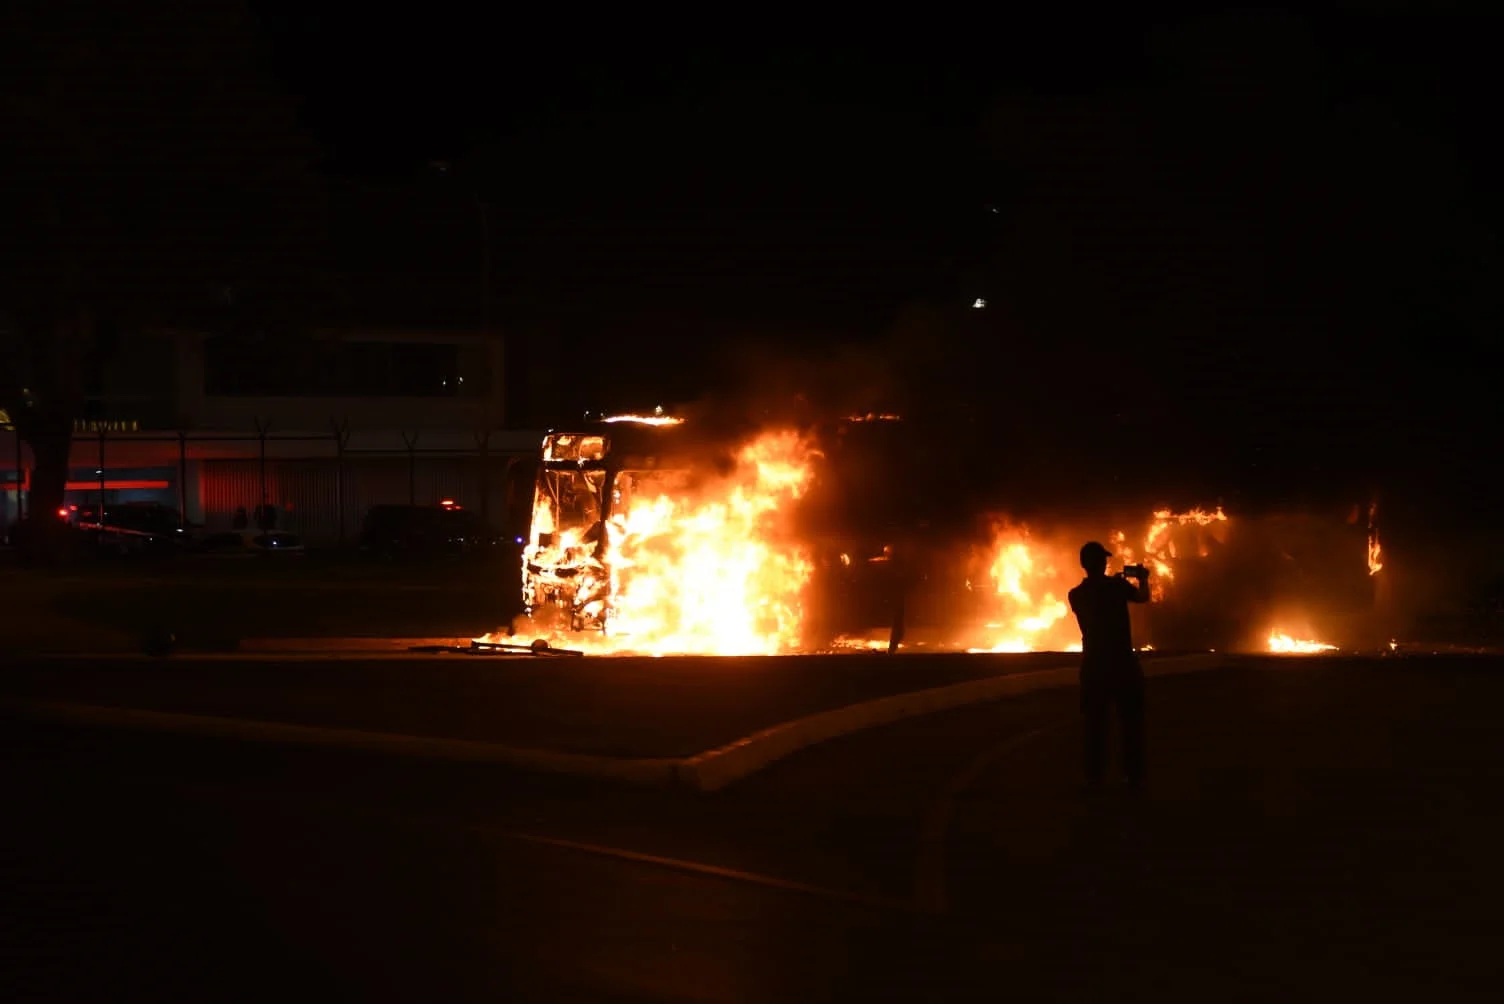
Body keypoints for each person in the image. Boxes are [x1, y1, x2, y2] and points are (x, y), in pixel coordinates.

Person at [1067, 541, 1151, 790]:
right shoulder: (1117, 586)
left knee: (1095, 725)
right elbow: (1143, 597)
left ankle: (1094, 778)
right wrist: (1143, 579)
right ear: (1101, 563)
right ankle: (1133, 777)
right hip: (1122, 664)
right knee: (1130, 723)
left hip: (1093, 666)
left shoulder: (1076, 595)